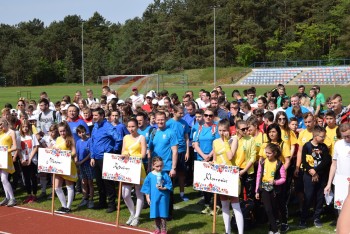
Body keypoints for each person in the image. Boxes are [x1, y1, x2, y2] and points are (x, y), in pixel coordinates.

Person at [213, 119, 244, 234]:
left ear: (228, 130)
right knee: (224, 204)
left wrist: (226, 141)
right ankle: (228, 231)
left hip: (231, 174)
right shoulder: (215, 141)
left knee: (235, 205)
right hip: (220, 176)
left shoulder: (233, 139)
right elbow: (215, 159)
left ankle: (241, 232)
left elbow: (230, 156)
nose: (222, 133)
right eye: (220, 130)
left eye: (224, 130)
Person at [299, 126, 331, 228]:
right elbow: (304, 161)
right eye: (322, 136)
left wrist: (316, 171)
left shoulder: (324, 147)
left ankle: (317, 217)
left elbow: (326, 161)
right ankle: (303, 218)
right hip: (308, 176)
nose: (323, 138)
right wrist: (311, 171)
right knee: (308, 197)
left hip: (321, 176)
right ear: (315, 136)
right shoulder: (307, 146)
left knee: (320, 197)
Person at [148, 111, 178, 219]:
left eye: (162, 119)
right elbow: (150, 149)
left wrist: (173, 168)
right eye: (158, 119)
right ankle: (157, 212)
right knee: (156, 190)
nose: (160, 121)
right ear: (155, 120)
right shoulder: (153, 132)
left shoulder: (171, 132)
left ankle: (168, 213)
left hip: (167, 167)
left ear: (165, 120)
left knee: (167, 190)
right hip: (155, 168)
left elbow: (175, 151)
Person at [89, 107, 118, 213]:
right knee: (99, 182)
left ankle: (111, 204)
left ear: (102, 116)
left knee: (108, 182)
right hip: (96, 158)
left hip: (105, 157)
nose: (94, 117)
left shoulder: (108, 126)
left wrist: (112, 151)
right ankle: (102, 202)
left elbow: (118, 138)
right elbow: (92, 141)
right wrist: (92, 156)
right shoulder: (95, 126)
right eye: (93, 115)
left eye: (96, 115)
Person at [192, 108, 220, 213]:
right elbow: (195, 143)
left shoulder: (215, 128)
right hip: (201, 158)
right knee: (204, 183)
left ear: (213, 116)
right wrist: (204, 156)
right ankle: (207, 203)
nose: (208, 117)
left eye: (210, 115)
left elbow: (218, 143)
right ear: (203, 116)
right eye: (206, 115)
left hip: (213, 158)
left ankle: (216, 204)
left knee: (213, 182)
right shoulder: (199, 128)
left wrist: (209, 155)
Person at [255, 143, 286, 234]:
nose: (267, 155)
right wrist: (257, 190)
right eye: (266, 153)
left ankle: (271, 228)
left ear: (275, 153)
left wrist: (275, 182)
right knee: (268, 209)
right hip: (264, 188)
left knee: (273, 209)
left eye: (269, 153)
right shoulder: (262, 162)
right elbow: (258, 176)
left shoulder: (279, 164)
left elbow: (283, 178)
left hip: (274, 190)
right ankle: (276, 230)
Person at [121, 118, 147, 226]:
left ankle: (136, 216)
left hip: (137, 167)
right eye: (129, 127)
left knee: (138, 193)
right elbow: (123, 151)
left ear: (137, 126)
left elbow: (143, 154)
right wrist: (124, 155)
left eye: (133, 126)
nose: (131, 129)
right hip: (127, 168)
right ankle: (132, 213)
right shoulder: (126, 137)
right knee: (125, 194)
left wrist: (131, 156)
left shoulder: (141, 138)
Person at [324, 123, 350, 228]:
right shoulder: (338, 144)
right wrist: (329, 183)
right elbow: (334, 164)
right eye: (344, 136)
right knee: (340, 207)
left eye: (349, 136)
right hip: (340, 180)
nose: (347, 138)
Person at [141, 156, 173, 234]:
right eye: (157, 166)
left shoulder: (164, 174)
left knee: (163, 212)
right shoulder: (150, 175)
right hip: (154, 197)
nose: (159, 168)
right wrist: (147, 197)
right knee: (155, 213)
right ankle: (157, 228)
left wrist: (164, 188)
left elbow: (170, 185)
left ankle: (164, 229)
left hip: (163, 196)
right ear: (153, 166)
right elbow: (146, 187)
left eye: (161, 166)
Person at [166, 106, 190, 201]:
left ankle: (182, 194)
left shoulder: (184, 123)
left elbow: (187, 138)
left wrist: (187, 151)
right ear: (174, 112)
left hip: (182, 151)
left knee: (181, 174)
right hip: (172, 152)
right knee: (171, 174)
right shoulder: (169, 123)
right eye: (180, 113)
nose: (182, 115)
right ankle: (170, 194)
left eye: (182, 113)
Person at [54, 122, 78, 214]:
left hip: (68, 164)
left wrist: (65, 155)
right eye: (60, 131)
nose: (62, 133)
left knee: (69, 185)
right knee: (57, 187)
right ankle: (63, 205)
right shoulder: (58, 139)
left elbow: (74, 152)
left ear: (67, 130)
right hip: (58, 165)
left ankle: (68, 207)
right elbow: (54, 148)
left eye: (64, 131)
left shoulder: (70, 139)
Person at [19, 119, 39, 204]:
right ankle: (29, 194)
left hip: (32, 160)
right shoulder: (19, 137)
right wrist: (21, 159)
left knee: (33, 177)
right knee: (26, 178)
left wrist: (30, 158)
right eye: (23, 127)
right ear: (21, 128)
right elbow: (18, 149)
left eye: (26, 126)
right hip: (24, 160)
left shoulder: (32, 136)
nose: (25, 128)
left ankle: (34, 194)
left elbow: (36, 147)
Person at [75, 125, 94, 209]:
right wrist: (76, 161)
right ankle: (85, 197)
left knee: (90, 182)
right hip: (81, 165)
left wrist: (82, 161)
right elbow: (77, 153)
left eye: (83, 132)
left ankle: (91, 199)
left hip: (88, 165)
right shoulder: (78, 142)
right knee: (83, 182)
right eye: (79, 133)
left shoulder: (89, 141)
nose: (81, 134)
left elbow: (90, 153)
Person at [0, 118, 17, 207]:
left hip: (6, 157)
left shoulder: (11, 132)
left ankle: (12, 198)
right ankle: (7, 197)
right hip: (0, 157)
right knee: (2, 179)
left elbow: (15, 147)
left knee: (4, 178)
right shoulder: (0, 133)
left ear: (5, 123)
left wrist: (6, 151)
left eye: (1, 124)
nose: (0, 126)